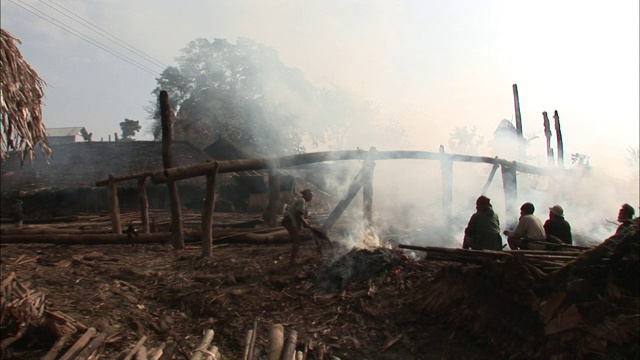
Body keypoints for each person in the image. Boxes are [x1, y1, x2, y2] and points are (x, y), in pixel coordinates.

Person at [282, 189, 313, 265]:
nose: (311, 197)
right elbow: (297, 213)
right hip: (289, 221)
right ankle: (292, 261)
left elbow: (298, 215)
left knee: (296, 240)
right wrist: (305, 222)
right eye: (310, 195)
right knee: (296, 241)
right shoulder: (302, 200)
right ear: (305, 195)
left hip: (288, 221)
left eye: (312, 196)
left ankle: (292, 260)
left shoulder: (301, 201)